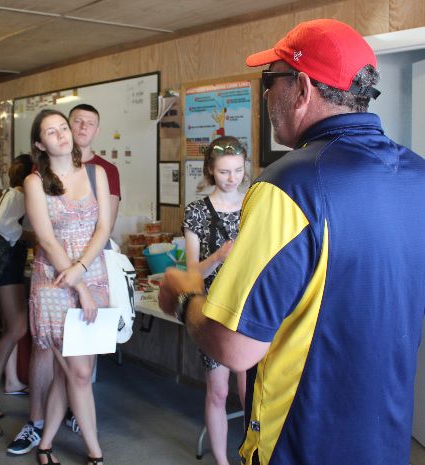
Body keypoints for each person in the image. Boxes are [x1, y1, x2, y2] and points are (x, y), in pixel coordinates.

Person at [158, 19, 425, 465]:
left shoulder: (290, 184)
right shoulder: (417, 175)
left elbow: (235, 347)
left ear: (301, 88)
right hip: (387, 439)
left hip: (302, 441)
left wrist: (186, 297)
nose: (266, 95)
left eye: (271, 80)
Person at [8, 103, 122, 453]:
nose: (62, 134)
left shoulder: (95, 174)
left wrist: (83, 270)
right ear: (40, 144)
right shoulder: (34, 182)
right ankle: (95, 452)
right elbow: (46, 239)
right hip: (54, 284)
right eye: (52, 131)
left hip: (92, 271)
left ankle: (44, 445)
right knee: (80, 374)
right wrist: (79, 286)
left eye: (63, 128)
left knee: (68, 373)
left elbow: (104, 227)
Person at [182, 136, 247, 465]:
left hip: (251, 305)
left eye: (238, 170)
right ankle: (221, 460)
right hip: (214, 307)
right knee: (219, 390)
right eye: (224, 171)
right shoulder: (197, 212)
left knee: (251, 391)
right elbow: (192, 271)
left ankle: (256, 454)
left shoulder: (254, 206)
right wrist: (220, 256)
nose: (232, 178)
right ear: (210, 170)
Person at [0, 154, 33, 420]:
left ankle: (11, 380)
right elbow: (6, 228)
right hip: (8, 265)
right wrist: (35, 236)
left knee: (11, 326)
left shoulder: (11, 193)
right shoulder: (20, 195)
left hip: (7, 264)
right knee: (17, 327)